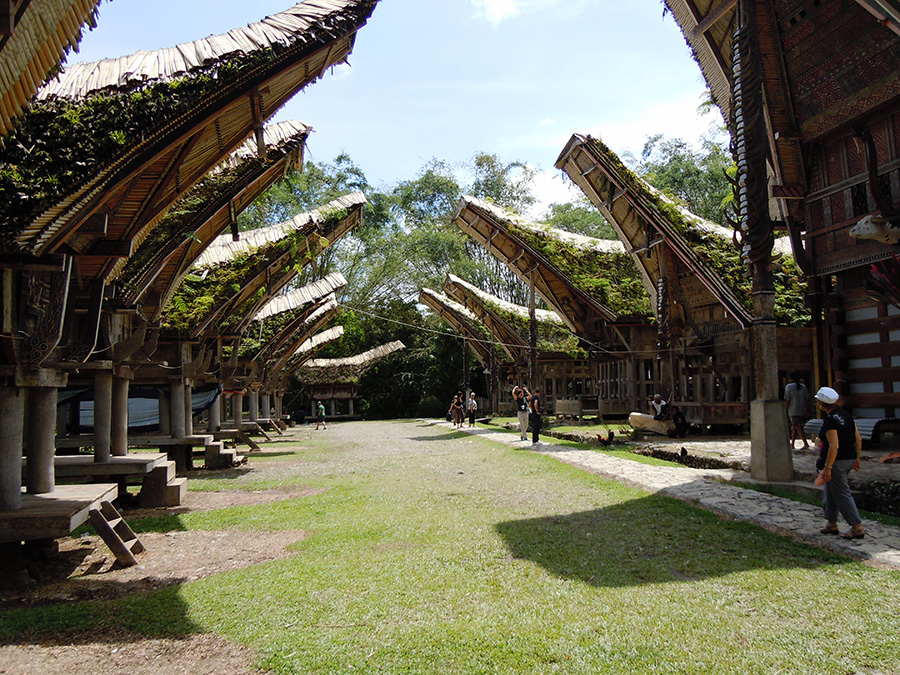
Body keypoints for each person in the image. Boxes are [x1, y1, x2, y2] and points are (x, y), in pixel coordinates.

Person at [813, 386, 865, 540]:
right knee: (830, 489)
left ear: (821, 404)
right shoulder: (846, 416)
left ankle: (856, 526)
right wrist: (857, 458)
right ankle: (831, 523)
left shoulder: (830, 421)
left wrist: (828, 467)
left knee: (842, 493)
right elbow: (858, 439)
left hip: (837, 461)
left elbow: (834, 445)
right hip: (849, 458)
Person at [784, 371, 812, 449]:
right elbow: (807, 400)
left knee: (798, 426)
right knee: (795, 427)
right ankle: (792, 444)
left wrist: (785, 410)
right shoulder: (803, 387)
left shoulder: (788, 387)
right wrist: (807, 410)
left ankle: (805, 443)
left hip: (793, 410)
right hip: (801, 409)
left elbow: (787, 400)